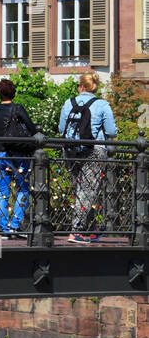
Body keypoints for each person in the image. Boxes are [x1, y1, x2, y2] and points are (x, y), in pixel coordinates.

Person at [59, 70, 117, 243]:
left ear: (81, 86)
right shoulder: (102, 104)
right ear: (94, 87)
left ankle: (91, 228)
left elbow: (62, 129)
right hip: (94, 150)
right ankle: (76, 230)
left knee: (81, 190)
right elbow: (111, 131)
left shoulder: (68, 103)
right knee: (87, 190)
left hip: (70, 151)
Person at [0, 78, 38, 238]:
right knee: (23, 188)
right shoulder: (18, 109)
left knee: (2, 192)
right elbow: (32, 128)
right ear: (13, 93)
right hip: (18, 155)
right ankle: (15, 225)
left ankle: (4, 229)